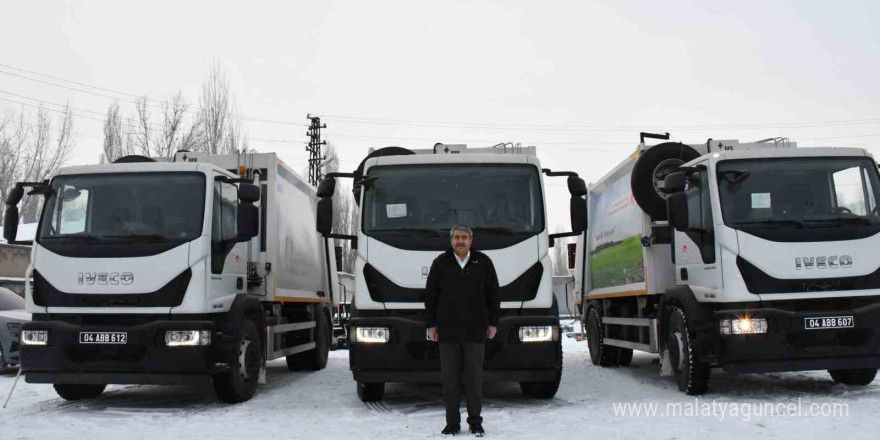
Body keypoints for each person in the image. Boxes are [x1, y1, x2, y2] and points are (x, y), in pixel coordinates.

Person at [425, 225, 501, 437]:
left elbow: (493, 295)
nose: (460, 241)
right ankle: (452, 424)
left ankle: (475, 423)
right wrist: (430, 325)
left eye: (464, 237)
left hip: (476, 332)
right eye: (457, 237)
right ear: (451, 240)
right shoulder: (440, 263)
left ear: (471, 240)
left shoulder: (483, 262)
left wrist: (493, 323)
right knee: (450, 381)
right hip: (447, 333)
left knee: (474, 381)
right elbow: (431, 296)